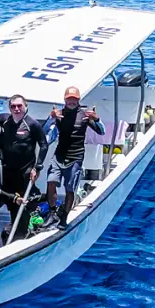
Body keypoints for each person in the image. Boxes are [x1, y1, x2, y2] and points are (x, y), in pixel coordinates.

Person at [0, 87, 48, 241]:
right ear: (9, 108)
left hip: (25, 170)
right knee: (11, 200)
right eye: (13, 106)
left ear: (26, 106)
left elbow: (44, 145)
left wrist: (37, 167)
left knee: (24, 202)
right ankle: (15, 227)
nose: (16, 109)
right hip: (8, 169)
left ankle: (23, 231)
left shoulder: (32, 124)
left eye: (19, 106)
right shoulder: (5, 119)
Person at [45, 86, 105, 230]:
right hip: (59, 157)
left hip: (75, 158)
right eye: (69, 99)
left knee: (70, 189)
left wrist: (97, 119)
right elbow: (45, 133)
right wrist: (50, 118)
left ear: (78, 100)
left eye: (74, 99)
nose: (71, 101)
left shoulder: (84, 115)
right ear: (64, 100)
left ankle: (64, 217)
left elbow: (101, 131)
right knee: (51, 182)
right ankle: (52, 213)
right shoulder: (58, 114)